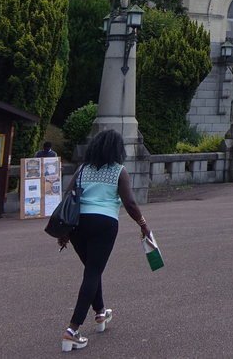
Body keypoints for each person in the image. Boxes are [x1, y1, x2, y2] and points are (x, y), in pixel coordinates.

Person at [56, 129, 151, 352]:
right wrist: (143, 224)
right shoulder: (119, 171)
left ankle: (100, 313)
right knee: (93, 273)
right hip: (105, 224)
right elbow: (130, 204)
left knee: (92, 270)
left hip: (78, 224)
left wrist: (64, 231)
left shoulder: (82, 169)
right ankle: (72, 329)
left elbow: (68, 198)